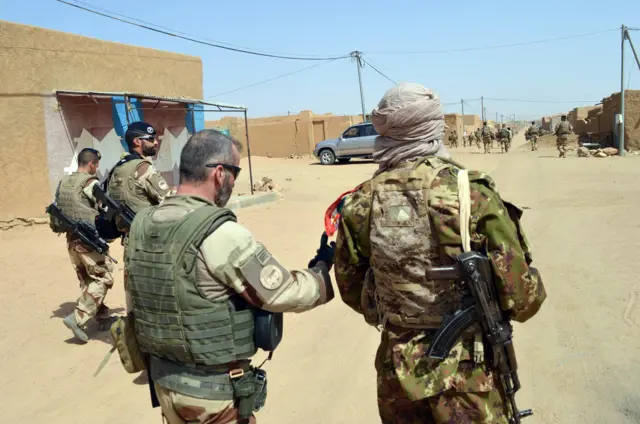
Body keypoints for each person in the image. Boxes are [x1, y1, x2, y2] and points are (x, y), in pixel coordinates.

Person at [332, 83, 546, 424]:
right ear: (433, 129)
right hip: (466, 379)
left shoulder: (360, 203)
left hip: (396, 374)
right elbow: (522, 299)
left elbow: (351, 289)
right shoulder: (470, 194)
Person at [124, 129, 336, 423]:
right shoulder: (220, 232)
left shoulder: (142, 225)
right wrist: (321, 271)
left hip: (164, 385)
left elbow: (134, 301)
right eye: (234, 172)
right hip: (212, 397)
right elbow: (280, 292)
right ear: (219, 173)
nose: (234, 182)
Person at [52, 148, 114, 343]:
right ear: (92, 164)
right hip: (88, 240)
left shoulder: (65, 182)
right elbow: (104, 208)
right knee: (103, 278)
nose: (97, 168)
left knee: (87, 279)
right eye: (96, 165)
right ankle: (77, 318)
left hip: (71, 239)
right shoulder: (89, 183)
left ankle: (102, 315)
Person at [105, 121, 173, 232]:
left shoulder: (118, 167)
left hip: (130, 238)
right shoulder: (143, 168)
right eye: (150, 139)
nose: (156, 142)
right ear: (137, 141)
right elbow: (168, 200)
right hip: (148, 237)